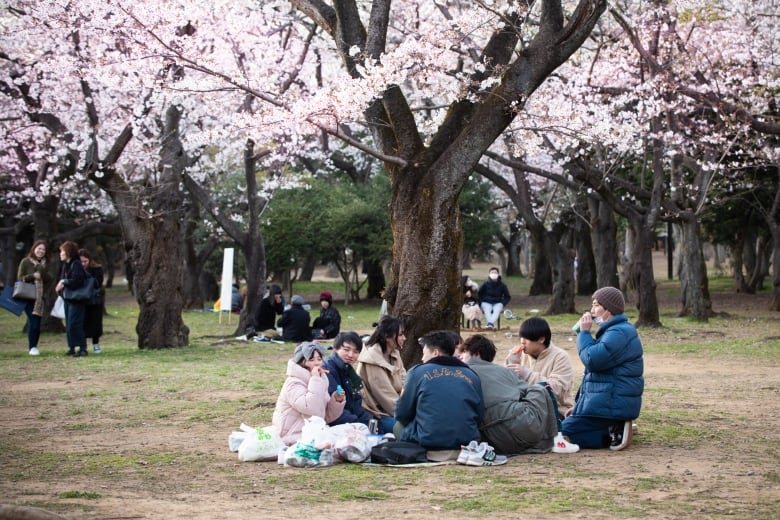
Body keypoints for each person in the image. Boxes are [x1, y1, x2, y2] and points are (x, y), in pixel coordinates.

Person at [562, 286, 644, 451]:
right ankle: (613, 430)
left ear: (610, 309)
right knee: (563, 432)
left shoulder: (619, 332)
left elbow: (593, 360)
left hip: (610, 404)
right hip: (606, 403)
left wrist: (583, 333)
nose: (592, 311)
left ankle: (615, 427)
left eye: (596, 305)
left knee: (557, 432)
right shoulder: (613, 331)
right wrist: (579, 408)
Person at [461, 334, 559, 454]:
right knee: (539, 388)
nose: (460, 356)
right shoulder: (504, 371)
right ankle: (557, 435)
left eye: (464, 352)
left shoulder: (460, 374)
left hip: (490, 435)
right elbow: (526, 390)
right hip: (524, 429)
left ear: (477, 354)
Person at [394, 330, 484, 451]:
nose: (422, 358)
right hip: (466, 440)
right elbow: (479, 415)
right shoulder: (472, 375)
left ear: (435, 353)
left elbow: (402, 413)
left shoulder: (417, 372)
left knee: (397, 427)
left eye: (424, 353)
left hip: (427, 441)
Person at [272, 341, 346, 445]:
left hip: (312, 432)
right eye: (311, 360)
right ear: (301, 361)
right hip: (292, 436)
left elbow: (324, 417)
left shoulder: (320, 380)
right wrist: (315, 379)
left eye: (319, 359)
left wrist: (336, 401)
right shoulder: (293, 383)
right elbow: (311, 409)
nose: (317, 363)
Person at [506, 316, 575, 417]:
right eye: (521, 337)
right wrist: (511, 362)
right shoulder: (521, 355)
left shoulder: (560, 357)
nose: (522, 341)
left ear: (541, 339)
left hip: (556, 410)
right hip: (527, 408)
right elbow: (508, 386)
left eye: (526, 338)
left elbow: (557, 390)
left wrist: (528, 375)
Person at [356, 315, 407, 434]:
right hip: (377, 414)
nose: (404, 338)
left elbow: (406, 381)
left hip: (396, 406)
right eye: (400, 334)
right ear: (387, 337)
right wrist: (410, 414)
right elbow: (387, 399)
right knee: (410, 431)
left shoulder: (394, 353)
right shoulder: (372, 360)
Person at [322, 331, 372, 427]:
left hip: (350, 420)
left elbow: (356, 404)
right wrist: (360, 424)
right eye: (346, 349)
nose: (351, 355)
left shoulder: (348, 370)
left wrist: (369, 422)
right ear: (335, 349)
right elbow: (334, 411)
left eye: (356, 352)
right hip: (333, 424)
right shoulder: (328, 369)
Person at [16, 240, 53, 356]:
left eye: (43, 249)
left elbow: (49, 278)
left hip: (39, 297)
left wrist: (40, 269)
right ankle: (32, 347)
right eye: (39, 248)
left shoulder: (47, 264)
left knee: (37, 323)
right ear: (34, 248)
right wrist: (32, 276)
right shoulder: (25, 261)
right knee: (33, 322)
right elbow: (20, 277)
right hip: (27, 296)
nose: (41, 251)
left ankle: (34, 347)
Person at [55, 241, 89, 357]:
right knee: (69, 324)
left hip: (76, 299)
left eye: (62, 251)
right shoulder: (66, 265)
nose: (61, 254)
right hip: (68, 299)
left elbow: (77, 281)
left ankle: (82, 348)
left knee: (75, 324)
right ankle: (72, 347)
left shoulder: (76, 264)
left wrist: (64, 281)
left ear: (68, 252)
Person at [79, 248, 104, 354]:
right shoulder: (75, 269)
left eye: (85, 261)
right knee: (82, 322)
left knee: (95, 322)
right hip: (81, 300)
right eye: (81, 261)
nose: (83, 264)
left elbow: (98, 282)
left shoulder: (97, 269)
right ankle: (82, 345)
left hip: (94, 300)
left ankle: (96, 343)